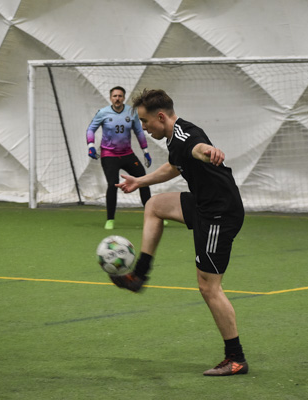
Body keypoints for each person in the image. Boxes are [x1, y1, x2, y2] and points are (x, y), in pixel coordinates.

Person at [111, 89, 248, 376]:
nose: (143, 128)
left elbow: (198, 148)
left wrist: (209, 152)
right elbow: (175, 166)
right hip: (203, 203)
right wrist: (140, 181)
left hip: (219, 214)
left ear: (161, 117)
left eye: (145, 121)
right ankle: (139, 275)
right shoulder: (175, 138)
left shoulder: (187, 137)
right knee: (154, 206)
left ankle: (235, 359)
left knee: (208, 287)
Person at [86, 86, 152, 230]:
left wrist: (145, 151)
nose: (117, 98)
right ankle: (110, 219)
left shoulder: (131, 112)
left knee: (143, 180)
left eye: (120, 96)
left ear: (124, 98)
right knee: (113, 184)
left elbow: (139, 131)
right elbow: (91, 129)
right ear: (111, 98)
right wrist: (91, 146)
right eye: (115, 96)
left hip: (127, 154)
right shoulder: (103, 113)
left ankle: (152, 215)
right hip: (109, 155)